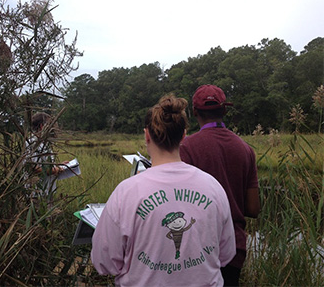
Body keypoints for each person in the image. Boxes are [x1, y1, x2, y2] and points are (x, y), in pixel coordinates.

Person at [91, 94, 236, 287]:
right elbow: (225, 255)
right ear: (184, 135)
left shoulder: (126, 192)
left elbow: (104, 263)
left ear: (147, 135)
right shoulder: (213, 187)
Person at [179, 84, 261, 286]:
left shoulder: (187, 147)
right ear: (224, 110)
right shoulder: (246, 149)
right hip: (234, 249)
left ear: (194, 112)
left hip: (198, 250)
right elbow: (253, 209)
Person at [26, 112, 65, 198]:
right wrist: (55, 170)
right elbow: (34, 168)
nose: (54, 129)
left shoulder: (43, 143)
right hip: (36, 194)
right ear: (42, 127)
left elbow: (43, 164)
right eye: (50, 126)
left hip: (46, 193)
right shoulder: (33, 143)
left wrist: (59, 165)